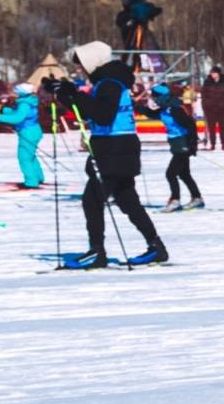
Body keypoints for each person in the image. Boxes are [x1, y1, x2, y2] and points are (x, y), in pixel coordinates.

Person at [52, 41, 167, 269]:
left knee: (92, 201)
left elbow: (103, 115)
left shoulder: (109, 84)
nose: (80, 70)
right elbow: (89, 112)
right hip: (119, 147)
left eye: (82, 65)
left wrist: (75, 95)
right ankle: (156, 247)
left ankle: (97, 252)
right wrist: (66, 95)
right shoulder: (110, 81)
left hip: (114, 148)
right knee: (127, 200)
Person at [141, 83, 203, 212]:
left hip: (183, 143)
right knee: (184, 174)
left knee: (171, 174)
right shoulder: (165, 108)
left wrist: (192, 143)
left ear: (162, 97)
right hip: (176, 143)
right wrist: (137, 107)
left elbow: (190, 124)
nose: (153, 100)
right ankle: (197, 198)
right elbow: (152, 114)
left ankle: (175, 200)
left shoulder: (174, 108)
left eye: (155, 97)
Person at [0, 82, 46, 188]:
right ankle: (38, 177)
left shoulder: (24, 104)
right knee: (30, 156)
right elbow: (20, 113)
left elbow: (18, 118)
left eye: (17, 91)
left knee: (24, 157)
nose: (15, 93)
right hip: (34, 130)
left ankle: (31, 182)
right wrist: (5, 110)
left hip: (28, 132)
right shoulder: (29, 101)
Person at [199, 66, 224, 151]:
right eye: (211, 73)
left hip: (222, 109)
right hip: (210, 109)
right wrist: (205, 106)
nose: (212, 74)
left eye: (214, 73)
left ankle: (223, 143)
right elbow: (203, 95)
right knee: (211, 127)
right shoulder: (207, 82)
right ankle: (212, 144)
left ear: (218, 73)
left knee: (222, 127)